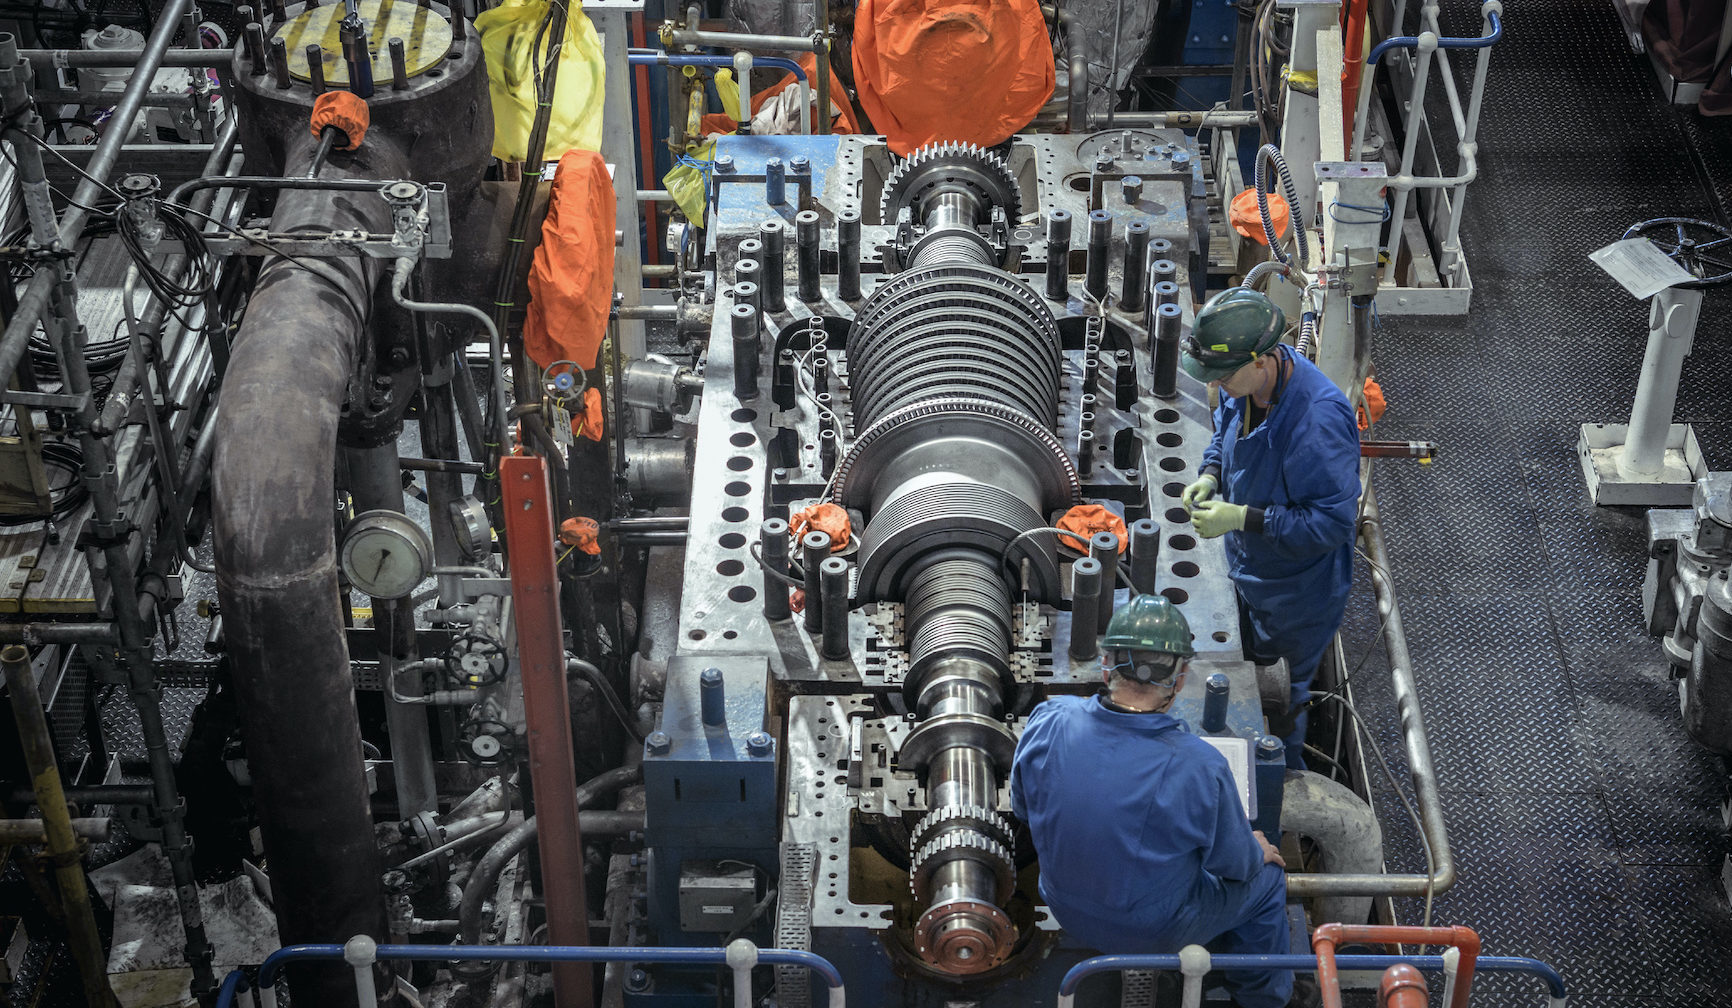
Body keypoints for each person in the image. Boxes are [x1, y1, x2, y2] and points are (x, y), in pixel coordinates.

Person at [1010, 595, 1292, 1008]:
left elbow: (1022, 807)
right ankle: (1263, 998)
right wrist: (1258, 851)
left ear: (1107, 665)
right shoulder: (1199, 767)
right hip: (1152, 929)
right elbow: (1233, 865)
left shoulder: (1048, 719)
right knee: (1267, 883)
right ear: (1179, 680)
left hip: (1061, 902)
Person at [1178, 287, 1360, 770]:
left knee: (1278, 701)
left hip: (1296, 596)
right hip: (1250, 567)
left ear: (1262, 360)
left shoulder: (1316, 420)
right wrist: (1210, 473)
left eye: (1224, 375)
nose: (1218, 386)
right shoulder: (1246, 387)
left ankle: (1287, 788)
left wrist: (1242, 517)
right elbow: (1224, 427)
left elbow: (1333, 523)